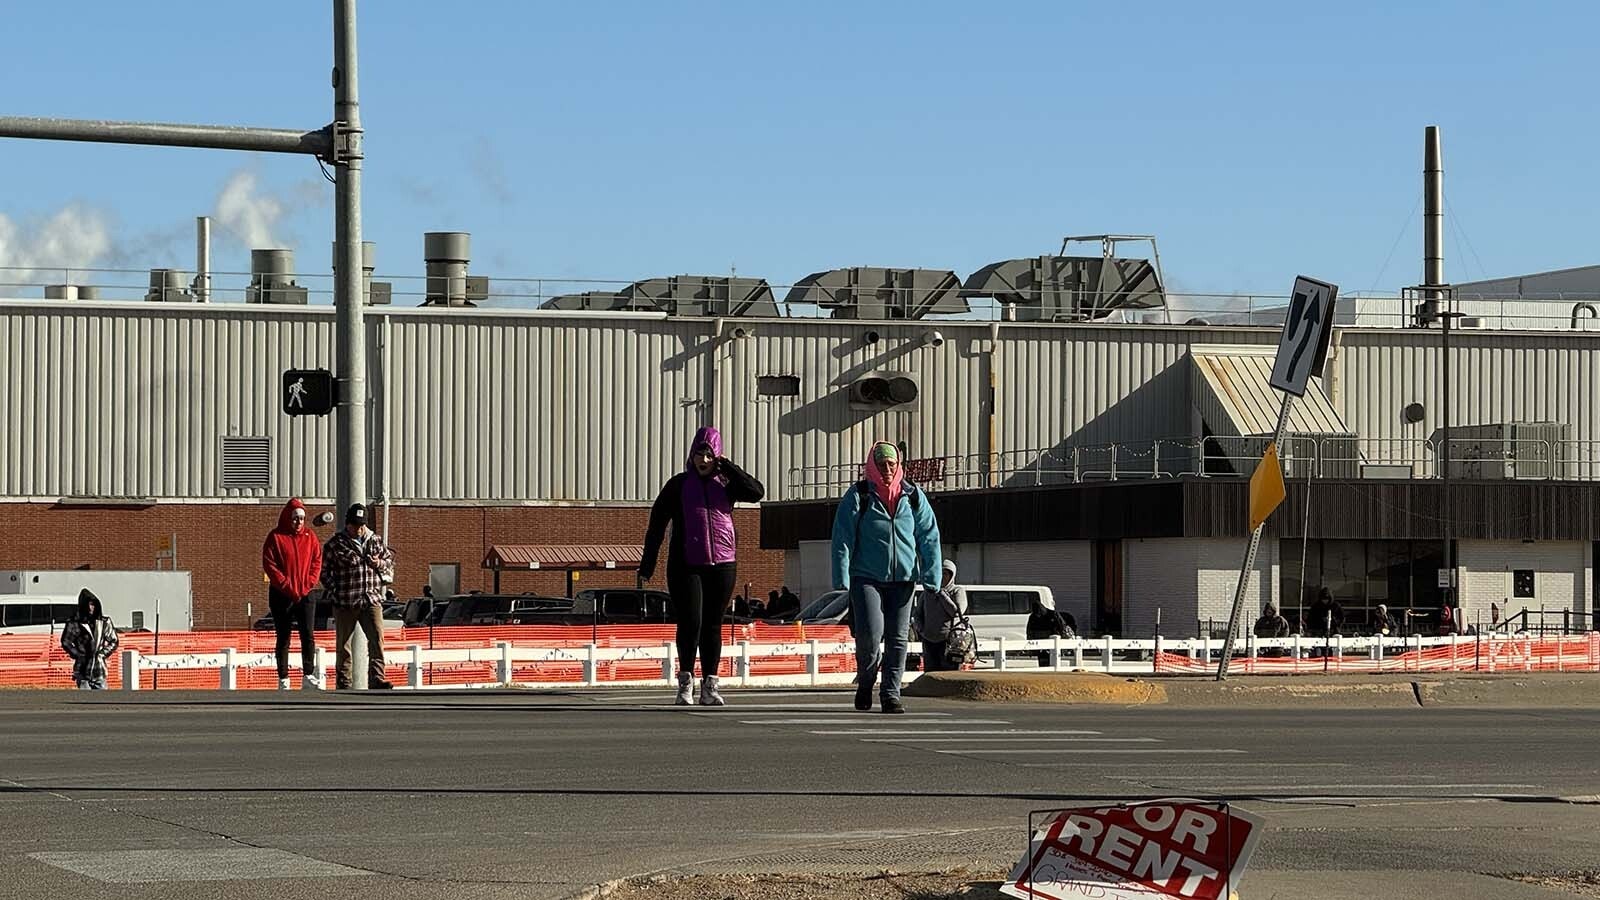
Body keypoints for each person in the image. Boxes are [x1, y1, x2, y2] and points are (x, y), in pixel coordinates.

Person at [640, 426, 765, 706]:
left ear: (717, 456)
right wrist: (648, 563)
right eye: (699, 454)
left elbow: (757, 492)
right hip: (686, 565)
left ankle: (711, 684)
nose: (703, 460)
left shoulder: (727, 484)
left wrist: (729, 468)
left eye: (709, 455)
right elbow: (657, 524)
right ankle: (685, 683)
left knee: (712, 625)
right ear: (691, 455)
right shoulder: (679, 485)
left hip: (722, 565)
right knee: (691, 621)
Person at [830, 441, 942, 714]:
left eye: (892, 464)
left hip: (903, 579)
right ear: (872, 466)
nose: (888, 469)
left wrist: (932, 574)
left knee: (898, 638)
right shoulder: (859, 495)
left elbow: (929, 536)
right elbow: (842, 537)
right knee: (870, 635)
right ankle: (866, 683)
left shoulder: (913, 496)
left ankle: (891, 694)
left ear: (899, 465)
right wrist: (841, 575)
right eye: (882, 464)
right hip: (865, 577)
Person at [321, 503, 395, 690]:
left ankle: (377, 678)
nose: (358, 529)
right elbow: (323, 571)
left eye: (361, 524)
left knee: (377, 640)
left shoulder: (376, 541)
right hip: (345, 600)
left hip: (371, 599)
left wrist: (378, 563)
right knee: (344, 644)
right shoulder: (335, 544)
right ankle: (344, 681)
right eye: (355, 524)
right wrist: (335, 590)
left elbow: (389, 562)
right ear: (347, 524)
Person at [262, 498, 324, 690]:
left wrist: (307, 585)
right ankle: (283, 677)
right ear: (288, 518)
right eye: (295, 518)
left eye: (302, 518)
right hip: (281, 594)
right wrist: (287, 586)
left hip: (305, 594)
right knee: (283, 636)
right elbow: (270, 565)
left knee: (308, 635)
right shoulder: (275, 537)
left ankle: (308, 674)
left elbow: (316, 562)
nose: (298, 522)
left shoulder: (310, 537)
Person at [61, 589, 118, 690]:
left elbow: (114, 641)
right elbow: (66, 642)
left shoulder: (104, 622)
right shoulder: (73, 623)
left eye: (93, 604)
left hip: (99, 669)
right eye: (88, 605)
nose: (90, 608)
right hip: (82, 670)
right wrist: (78, 655)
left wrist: (102, 654)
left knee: (102, 701)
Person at [916, 560, 967, 672]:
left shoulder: (957, 591)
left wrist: (942, 594)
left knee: (949, 675)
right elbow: (917, 614)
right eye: (940, 573)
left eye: (946, 574)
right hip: (928, 640)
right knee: (930, 675)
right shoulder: (926, 593)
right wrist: (921, 630)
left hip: (950, 642)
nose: (942, 576)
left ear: (952, 575)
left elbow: (956, 612)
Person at [1026, 593, 1075, 667]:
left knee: (1053, 658)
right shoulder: (1033, 617)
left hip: (1053, 639)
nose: (1038, 615)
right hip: (1040, 642)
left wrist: (1063, 637)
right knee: (1042, 660)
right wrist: (1030, 645)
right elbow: (1029, 631)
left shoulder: (1053, 614)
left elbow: (1062, 626)